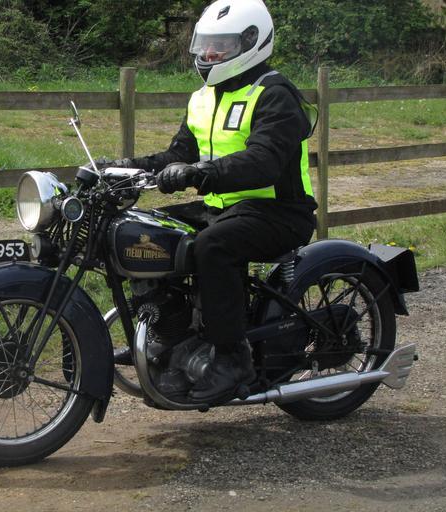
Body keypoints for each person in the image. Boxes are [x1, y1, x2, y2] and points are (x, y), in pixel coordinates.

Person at [104, 0, 318, 405]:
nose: (210, 54)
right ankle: (171, 335)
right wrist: (123, 167)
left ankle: (232, 358)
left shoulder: (275, 94)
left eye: (222, 46)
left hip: (279, 211)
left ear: (252, 42)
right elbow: (178, 155)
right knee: (146, 234)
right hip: (222, 208)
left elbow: (264, 161)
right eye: (206, 45)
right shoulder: (202, 98)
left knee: (212, 246)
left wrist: (198, 173)